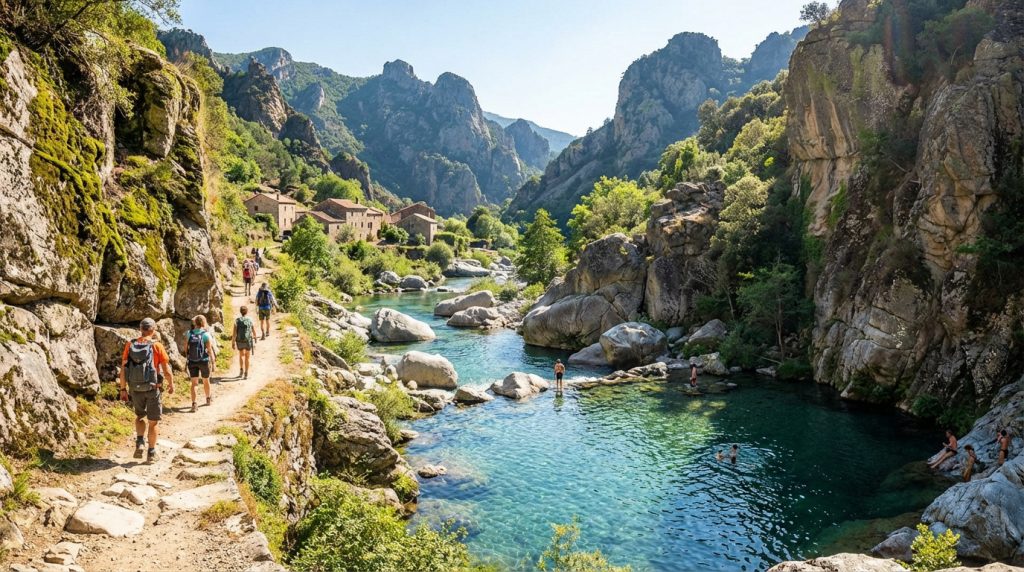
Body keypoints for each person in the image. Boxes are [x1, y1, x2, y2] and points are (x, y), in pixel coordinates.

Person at [118, 318, 174, 463]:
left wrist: (123, 388)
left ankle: (140, 441)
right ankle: (151, 452)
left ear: (140, 329)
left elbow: (124, 369)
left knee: (140, 417)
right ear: (153, 330)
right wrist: (171, 383)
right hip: (153, 388)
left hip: (135, 388)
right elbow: (166, 369)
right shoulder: (157, 346)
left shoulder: (130, 344)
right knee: (153, 422)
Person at [184, 315, 217, 412]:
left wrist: (187, 356)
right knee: (206, 380)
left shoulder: (189, 333)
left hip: (192, 361)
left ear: (195, 323)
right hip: (204, 360)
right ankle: (208, 399)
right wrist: (213, 361)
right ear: (203, 323)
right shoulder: (206, 334)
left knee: (194, 383)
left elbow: (186, 347)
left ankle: (194, 404)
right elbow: (209, 349)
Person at [232, 306, 257, 379]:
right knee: (247, 357)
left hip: (239, 340)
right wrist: (255, 337)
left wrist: (233, 342)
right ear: (247, 311)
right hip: (248, 340)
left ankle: (241, 370)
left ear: (240, 311)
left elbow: (234, 334)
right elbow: (253, 330)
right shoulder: (249, 320)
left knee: (241, 355)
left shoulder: (237, 320)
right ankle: (246, 373)